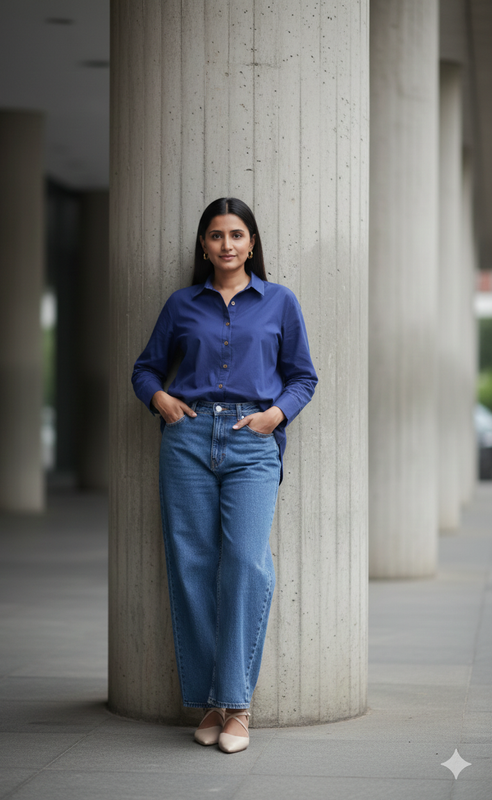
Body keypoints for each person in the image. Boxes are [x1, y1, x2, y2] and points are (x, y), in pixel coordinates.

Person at [131, 197, 317, 753]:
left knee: (245, 563)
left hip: (252, 440)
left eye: (237, 234)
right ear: (204, 245)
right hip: (187, 438)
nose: (227, 245)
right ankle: (215, 703)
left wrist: (275, 415)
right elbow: (145, 369)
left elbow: (302, 377)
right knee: (192, 564)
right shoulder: (181, 304)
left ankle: (238, 704)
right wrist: (160, 400)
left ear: (252, 243)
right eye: (216, 235)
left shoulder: (280, 302)